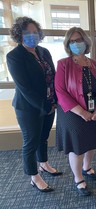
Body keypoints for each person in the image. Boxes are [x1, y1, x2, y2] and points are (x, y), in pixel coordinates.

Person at [6, 16, 62, 192]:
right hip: (28, 108)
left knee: (43, 138)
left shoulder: (43, 51)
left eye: (35, 32)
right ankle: (34, 176)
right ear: (19, 35)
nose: (32, 36)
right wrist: (44, 106)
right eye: (27, 33)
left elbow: (52, 77)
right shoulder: (14, 56)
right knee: (31, 142)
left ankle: (44, 163)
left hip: (49, 103)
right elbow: (25, 88)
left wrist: (54, 101)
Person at [55, 27, 96, 196]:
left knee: (92, 143)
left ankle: (87, 167)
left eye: (79, 40)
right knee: (77, 148)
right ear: (67, 44)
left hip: (95, 112)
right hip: (72, 114)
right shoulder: (63, 64)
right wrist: (82, 112)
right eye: (72, 41)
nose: (76, 44)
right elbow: (60, 92)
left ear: (86, 42)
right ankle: (78, 178)